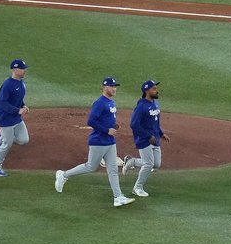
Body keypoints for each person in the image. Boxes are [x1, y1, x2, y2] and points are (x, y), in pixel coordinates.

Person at [54, 77, 134, 207]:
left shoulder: (111, 102)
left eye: (115, 86)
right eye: (112, 86)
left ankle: (118, 197)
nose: (114, 88)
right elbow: (91, 121)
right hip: (98, 141)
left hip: (110, 142)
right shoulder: (99, 103)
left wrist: (113, 126)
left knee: (113, 169)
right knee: (91, 166)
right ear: (105, 87)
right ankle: (63, 175)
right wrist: (106, 130)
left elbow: (106, 120)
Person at [123, 79, 167, 198]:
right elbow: (134, 125)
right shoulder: (141, 106)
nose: (156, 90)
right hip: (144, 139)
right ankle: (137, 188)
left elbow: (156, 123)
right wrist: (148, 136)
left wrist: (161, 134)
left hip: (155, 138)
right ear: (147, 91)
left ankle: (131, 161)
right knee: (148, 164)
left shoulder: (155, 104)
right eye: (154, 88)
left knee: (156, 164)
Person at [0, 58, 30, 177]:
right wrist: (18, 110)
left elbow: (17, 98)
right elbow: (2, 102)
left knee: (24, 140)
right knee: (7, 144)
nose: (24, 71)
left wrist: (23, 105)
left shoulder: (21, 83)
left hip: (15, 119)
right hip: (5, 119)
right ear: (14, 69)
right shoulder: (7, 85)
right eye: (22, 69)